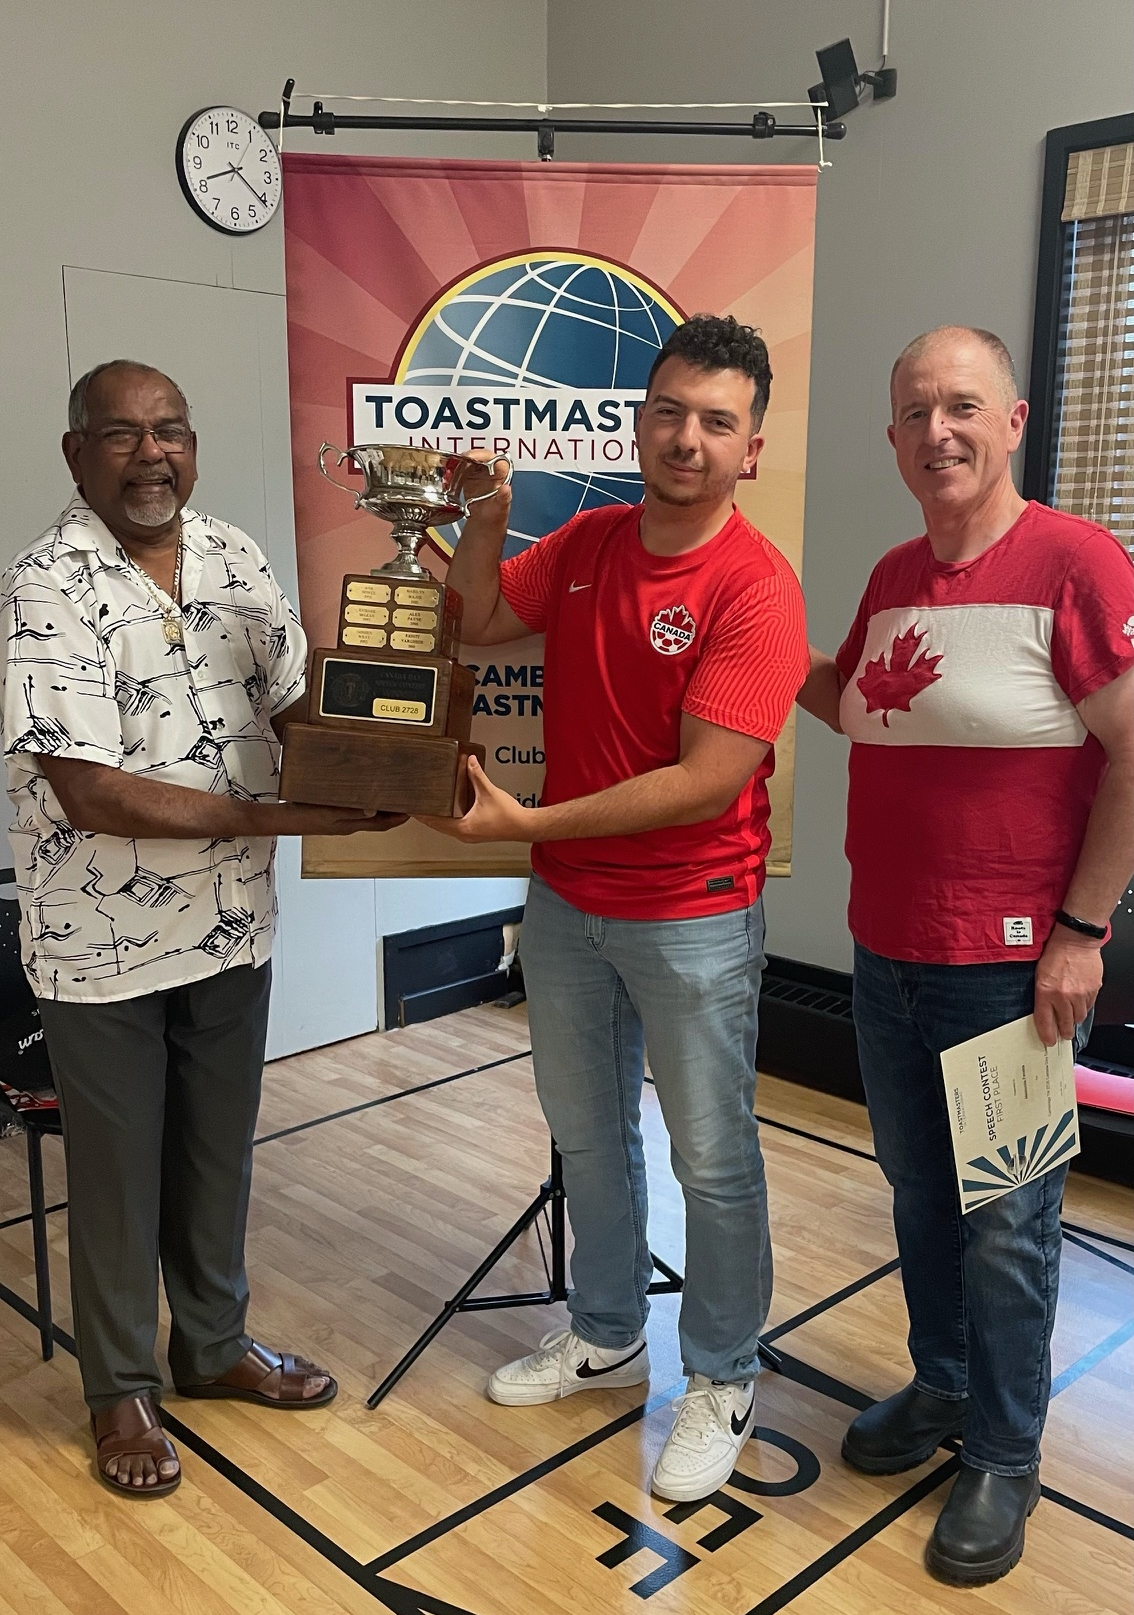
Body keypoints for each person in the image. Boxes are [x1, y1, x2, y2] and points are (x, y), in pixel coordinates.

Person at [423, 315, 809, 1503]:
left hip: (692, 913)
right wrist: (488, 513)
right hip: (569, 910)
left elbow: (706, 779)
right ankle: (606, 1332)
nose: (685, 438)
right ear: (639, 419)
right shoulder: (588, 538)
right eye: (669, 411)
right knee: (586, 1135)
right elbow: (477, 624)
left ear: (750, 446)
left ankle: (723, 1374)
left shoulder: (756, 585)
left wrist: (528, 827)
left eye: (714, 421)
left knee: (712, 1157)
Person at [0, 360, 402, 1498]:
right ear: (77, 454)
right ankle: (119, 1385)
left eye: (170, 429)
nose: (151, 453)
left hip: (233, 923)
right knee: (121, 1174)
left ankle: (212, 1345)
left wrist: (405, 733)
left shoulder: (233, 557)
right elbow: (95, 794)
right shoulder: (43, 586)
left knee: (218, 1153)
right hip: (100, 942)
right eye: (121, 435)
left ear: (193, 444)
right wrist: (289, 813)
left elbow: (295, 700)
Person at [798, 325, 1134, 1585]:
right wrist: (761, 643)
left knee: (1009, 1222)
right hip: (887, 952)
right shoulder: (892, 574)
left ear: (1012, 418)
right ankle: (942, 1387)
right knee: (921, 1198)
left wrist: (1082, 931)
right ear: (891, 437)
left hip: (1013, 972)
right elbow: (870, 710)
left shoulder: (1076, 564)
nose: (937, 432)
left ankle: (1004, 1447)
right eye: (914, 413)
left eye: (962, 407)